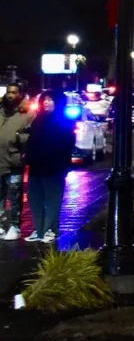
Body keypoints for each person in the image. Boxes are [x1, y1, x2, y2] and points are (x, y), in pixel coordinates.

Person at [23, 91, 74, 243]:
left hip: (54, 167)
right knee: (35, 198)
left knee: (52, 199)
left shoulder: (64, 121)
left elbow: (67, 144)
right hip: (36, 166)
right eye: (44, 100)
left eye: (50, 100)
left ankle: (50, 229)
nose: (46, 103)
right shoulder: (37, 120)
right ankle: (38, 229)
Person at [1, 83, 32, 240]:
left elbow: (30, 135)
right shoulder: (1, 111)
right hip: (0, 161)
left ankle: (14, 225)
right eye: (8, 92)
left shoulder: (26, 114)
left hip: (14, 162)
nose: (10, 95)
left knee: (14, 194)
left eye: (14, 92)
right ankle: (1, 225)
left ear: (20, 94)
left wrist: (20, 138)